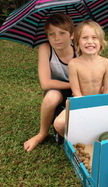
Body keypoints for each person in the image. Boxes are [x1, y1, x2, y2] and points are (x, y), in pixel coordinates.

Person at [24, 13, 76, 152]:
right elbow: (45, 83)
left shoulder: (80, 49)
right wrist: (73, 85)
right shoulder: (45, 48)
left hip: (80, 88)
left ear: (72, 35)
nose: (57, 38)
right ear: (47, 36)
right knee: (50, 98)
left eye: (62, 33)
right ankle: (43, 133)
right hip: (57, 87)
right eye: (51, 34)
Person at [68, 20, 108, 96]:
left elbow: (107, 91)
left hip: (100, 101)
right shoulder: (73, 64)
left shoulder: (106, 63)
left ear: (101, 42)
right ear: (78, 42)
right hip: (81, 101)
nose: (90, 41)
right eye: (85, 38)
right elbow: (76, 93)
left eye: (94, 37)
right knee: (65, 109)